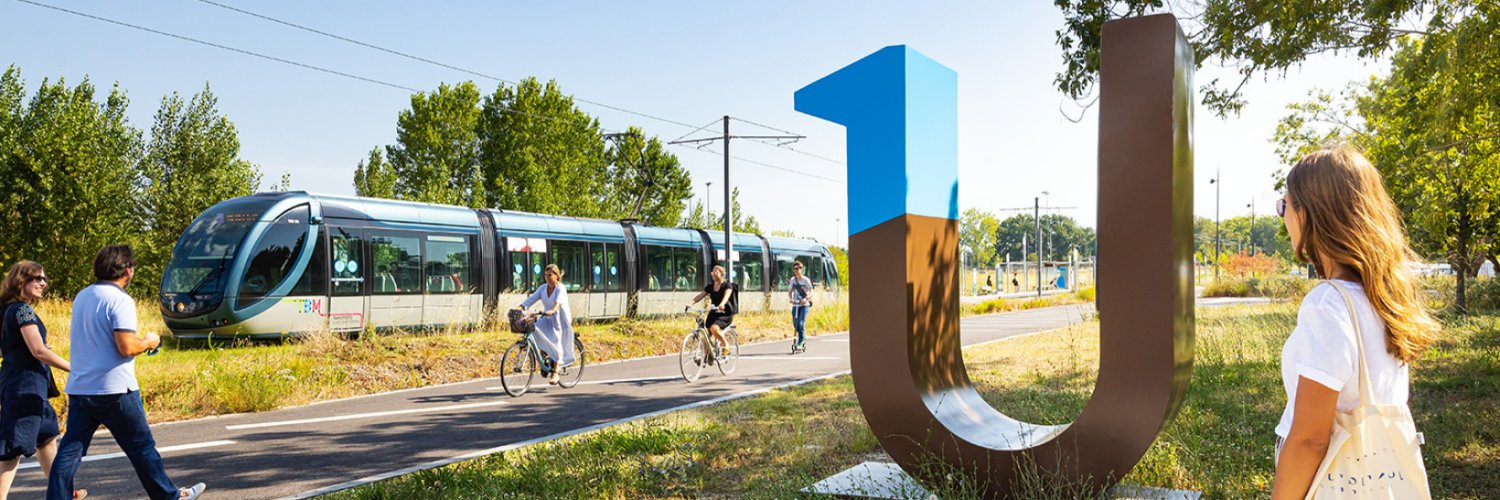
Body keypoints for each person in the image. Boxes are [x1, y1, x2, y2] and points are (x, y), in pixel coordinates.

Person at [1270, 147, 1438, 499]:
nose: (1283, 216)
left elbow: (1309, 439)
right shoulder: (1385, 297)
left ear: (1310, 214)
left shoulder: (1328, 304)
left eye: (1284, 205)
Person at [48, 245, 205, 500]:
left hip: (80, 388)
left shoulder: (82, 296)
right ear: (128, 271)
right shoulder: (120, 300)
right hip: (115, 390)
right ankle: (170, 497)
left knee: (69, 453)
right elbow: (126, 347)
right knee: (142, 448)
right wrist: (150, 341)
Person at [0, 262, 84, 500]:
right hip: (25, 386)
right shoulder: (23, 311)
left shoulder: (7, 310)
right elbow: (39, 352)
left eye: (44, 279)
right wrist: (75, 369)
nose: (43, 283)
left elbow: (7, 349)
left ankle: (62, 492)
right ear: (21, 281)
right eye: (37, 278)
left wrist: (25, 350)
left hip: (24, 383)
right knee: (13, 446)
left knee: (46, 436)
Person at [514, 264, 575, 385]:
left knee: (556, 342)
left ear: (557, 276)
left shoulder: (560, 288)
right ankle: (544, 356)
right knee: (535, 330)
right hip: (547, 317)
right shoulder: (543, 288)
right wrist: (521, 307)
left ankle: (555, 372)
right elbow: (532, 298)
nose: (547, 278)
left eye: (550, 275)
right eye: (546, 275)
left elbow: (558, 302)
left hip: (560, 319)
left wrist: (552, 310)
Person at [687, 266, 735, 358]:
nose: (714, 273)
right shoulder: (710, 286)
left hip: (724, 313)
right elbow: (700, 296)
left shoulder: (727, 285)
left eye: (717, 272)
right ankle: (708, 355)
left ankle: (725, 344)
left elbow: (727, 296)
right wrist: (691, 303)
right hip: (713, 312)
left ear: (721, 274)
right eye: (713, 272)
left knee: (714, 328)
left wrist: (722, 304)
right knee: (705, 335)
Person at [787, 261, 813, 353]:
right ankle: (803, 336)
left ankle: (801, 341)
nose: (797, 270)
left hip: (804, 305)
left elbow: (811, 291)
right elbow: (790, 292)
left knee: (801, 323)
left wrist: (806, 298)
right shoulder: (793, 280)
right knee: (795, 324)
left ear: (801, 269)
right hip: (796, 304)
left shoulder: (806, 280)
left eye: (798, 268)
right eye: (795, 269)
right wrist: (791, 298)